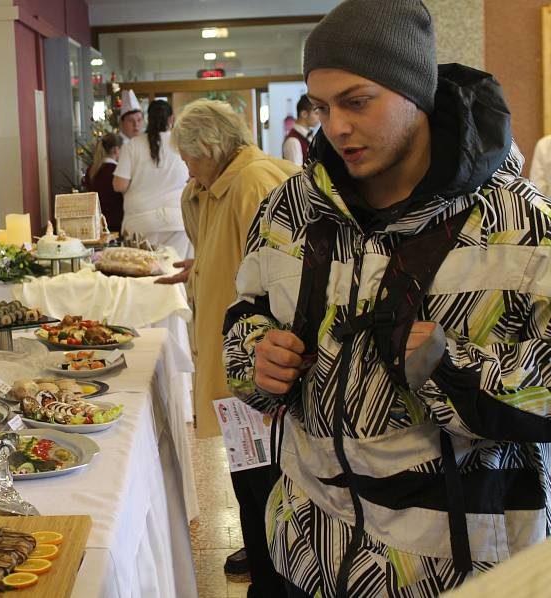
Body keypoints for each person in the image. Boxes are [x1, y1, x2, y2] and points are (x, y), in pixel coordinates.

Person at [223, 1, 551, 597]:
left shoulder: (519, 223)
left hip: (457, 570)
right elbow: (246, 312)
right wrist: (254, 355)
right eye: (321, 106)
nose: (335, 127)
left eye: (356, 100)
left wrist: (450, 370)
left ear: (416, 91)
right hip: (305, 551)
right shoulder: (291, 210)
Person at [159, 99, 299, 597]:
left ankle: (274, 574)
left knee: (264, 475)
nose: (186, 167)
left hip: (256, 365)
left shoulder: (254, 183)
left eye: (190, 157)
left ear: (212, 148)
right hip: (234, 360)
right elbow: (229, 254)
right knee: (249, 472)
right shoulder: (211, 187)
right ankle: (261, 553)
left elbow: (275, 277)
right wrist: (198, 267)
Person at [113, 99, 192, 259]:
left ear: (148, 119)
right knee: (176, 273)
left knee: (145, 276)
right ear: (171, 119)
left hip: (140, 222)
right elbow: (192, 177)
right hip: (177, 219)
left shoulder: (133, 145)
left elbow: (119, 185)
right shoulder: (182, 144)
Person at [83, 133, 124, 232]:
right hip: (117, 222)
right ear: (116, 150)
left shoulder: (91, 170)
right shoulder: (117, 171)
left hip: (96, 223)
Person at [281, 95, 319, 166]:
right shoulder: (293, 141)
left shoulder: (308, 135)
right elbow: (297, 173)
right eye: (316, 113)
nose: (319, 117)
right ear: (304, 114)